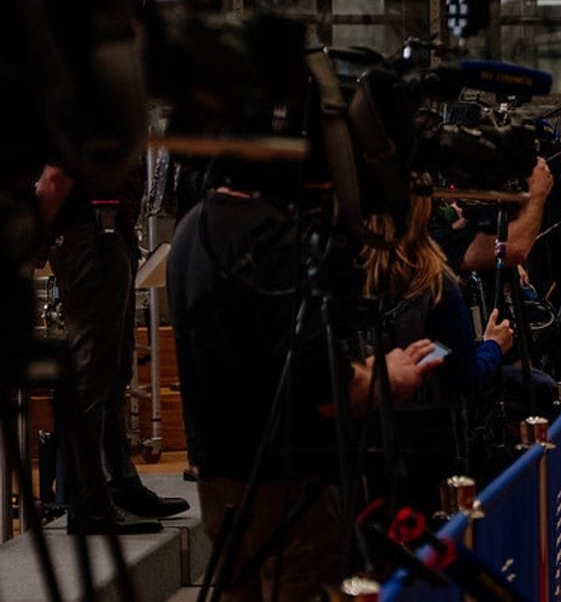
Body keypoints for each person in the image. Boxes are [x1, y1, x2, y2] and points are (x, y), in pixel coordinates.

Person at [169, 180, 441, 601]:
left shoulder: (193, 226)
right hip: (290, 490)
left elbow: (271, 359)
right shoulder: (274, 239)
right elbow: (328, 392)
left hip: (221, 481)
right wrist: (386, 377)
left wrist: (364, 370)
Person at [36, 163, 190, 535]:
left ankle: (119, 483)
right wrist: (34, 242)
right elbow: (55, 177)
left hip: (109, 233)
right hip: (88, 236)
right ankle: (89, 501)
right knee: (92, 373)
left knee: (115, 367)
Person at [360, 174, 515, 515]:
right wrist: (493, 346)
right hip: (429, 441)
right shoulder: (435, 284)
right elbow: (465, 377)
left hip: (367, 437)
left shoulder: (354, 274)